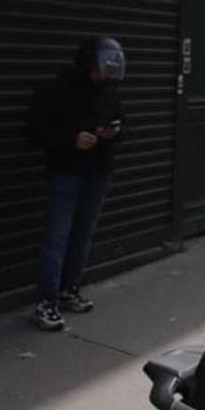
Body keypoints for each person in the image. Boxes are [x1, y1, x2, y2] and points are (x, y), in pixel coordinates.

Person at [26, 37, 127, 331]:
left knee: (83, 235)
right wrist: (72, 139)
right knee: (56, 238)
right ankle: (46, 302)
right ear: (87, 63)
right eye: (100, 68)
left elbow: (124, 123)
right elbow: (34, 129)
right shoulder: (55, 89)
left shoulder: (109, 91)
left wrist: (113, 132)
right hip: (66, 172)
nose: (104, 75)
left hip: (98, 172)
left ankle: (69, 289)